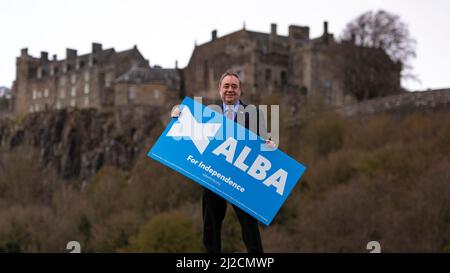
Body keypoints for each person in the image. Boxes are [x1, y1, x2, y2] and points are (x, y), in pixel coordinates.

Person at [171, 72, 275, 253]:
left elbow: (264, 143)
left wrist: (270, 145)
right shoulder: (208, 114)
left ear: (240, 91)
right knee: (210, 226)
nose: (230, 90)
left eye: (234, 86)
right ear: (220, 90)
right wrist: (176, 114)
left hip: (242, 179)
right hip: (213, 176)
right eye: (226, 86)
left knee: (250, 227)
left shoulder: (254, 113)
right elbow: (187, 129)